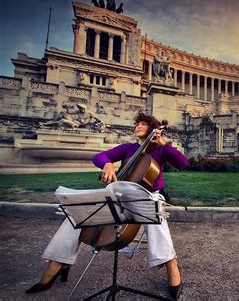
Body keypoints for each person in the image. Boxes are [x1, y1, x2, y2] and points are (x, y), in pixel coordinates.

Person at [26, 112, 188, 300]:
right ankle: (56, 264)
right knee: (76, 213)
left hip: (148, 196)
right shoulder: (128, 148)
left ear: (153, 129)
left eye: (142, 124)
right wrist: (108, 165)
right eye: (136, 124)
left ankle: (171, 265)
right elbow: (100, 156)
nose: (137, 126)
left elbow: (183, 162)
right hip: (119, 195)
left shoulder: (160, 150)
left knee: (155, 214)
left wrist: (163, 144)